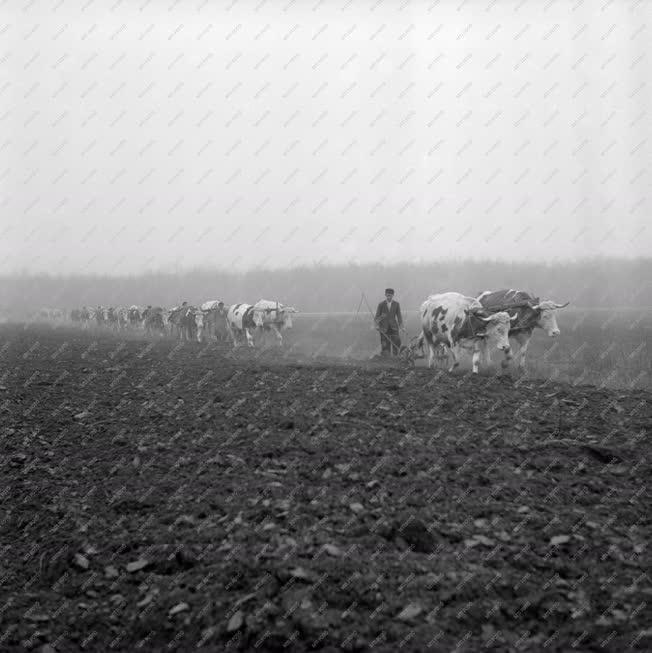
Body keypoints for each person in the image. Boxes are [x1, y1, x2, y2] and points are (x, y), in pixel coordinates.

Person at [374, 288, 405, 357]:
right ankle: (386, 360)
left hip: (394, 328)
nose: (389, 297)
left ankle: (395, 358)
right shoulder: (381, 304)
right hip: (384, 328)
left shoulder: (396, 304)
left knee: (396, 343)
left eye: (390, 296)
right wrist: (377, 325)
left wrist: (402, 327)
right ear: (385, 295)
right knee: (385, 344)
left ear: (393, 295)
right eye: (387, 295)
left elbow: (399, 316)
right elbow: (377, 317)